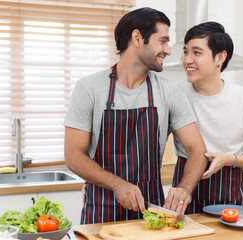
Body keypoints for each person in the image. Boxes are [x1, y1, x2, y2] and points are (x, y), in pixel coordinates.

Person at [64, 7, 208, 224]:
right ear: (137, 38)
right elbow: (74, 155)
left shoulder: (169, 91)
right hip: (100, 215)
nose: (168, 50)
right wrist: (117, 184)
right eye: (163, 41)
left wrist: (185, 189)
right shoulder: (89, 88)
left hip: (151, 216)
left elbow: (197, 149)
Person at [171, 21, 243, 214]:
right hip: (184, 188)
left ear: (220, 57)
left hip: (229, 190)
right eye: (185, 52)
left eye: (196, 53)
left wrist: (230, 159)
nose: (187, 60)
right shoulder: (175, 95)